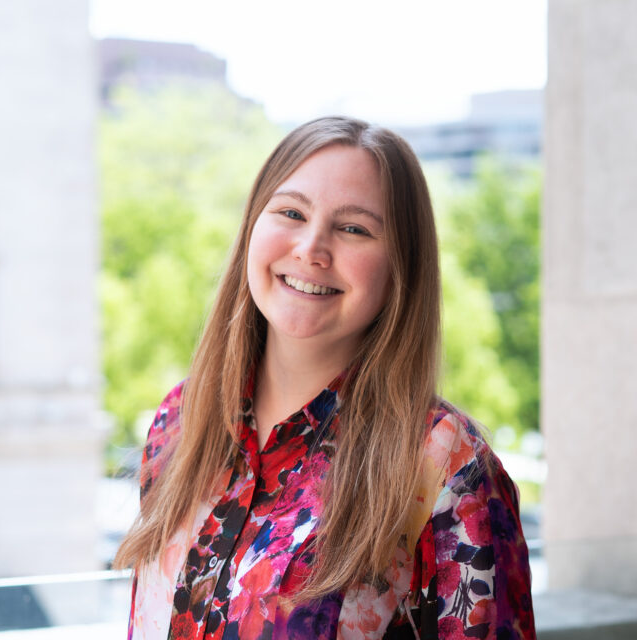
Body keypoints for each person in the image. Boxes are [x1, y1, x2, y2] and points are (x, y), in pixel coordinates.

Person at [115, 116, 536, 639]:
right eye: (291, 212)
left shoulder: (446, 467)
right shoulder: (179, 421)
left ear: (400, 266)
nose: (311, 249)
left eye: (354, 228)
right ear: (252, 227)